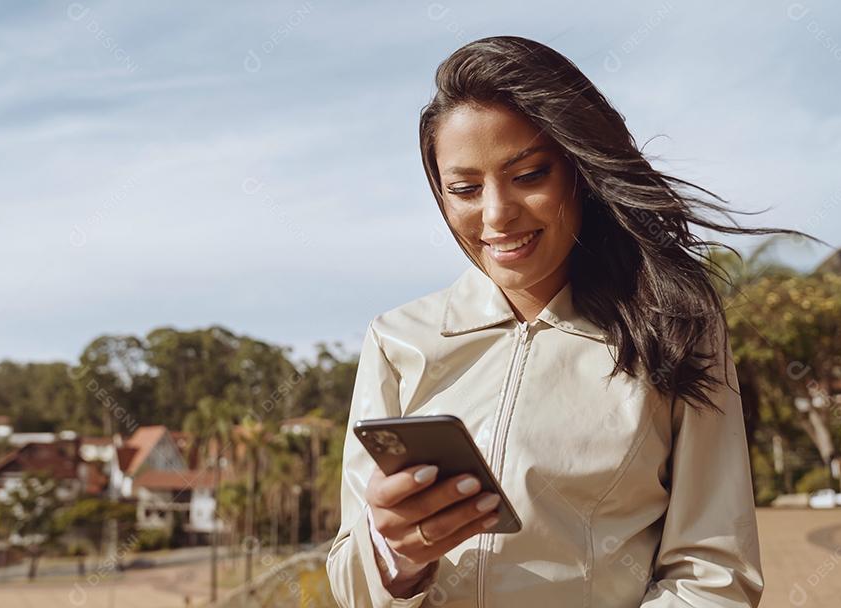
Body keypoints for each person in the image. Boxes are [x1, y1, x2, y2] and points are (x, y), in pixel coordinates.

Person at [326, 36, 809, 608]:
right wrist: (395, 557)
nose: (497, 214)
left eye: (529, 175)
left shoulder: (676, 326)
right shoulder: (397, 338)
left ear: (579, 172)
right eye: (464, 189)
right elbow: (350, 580)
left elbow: (713, 572)